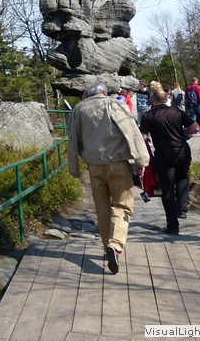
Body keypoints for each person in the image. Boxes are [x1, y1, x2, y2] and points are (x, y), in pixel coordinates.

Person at [68, 82, 150, 274]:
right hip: (117, 164)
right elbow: (132, 132)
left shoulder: (79, 109)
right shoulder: (115, 104)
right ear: (105, 93)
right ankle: (115, 245)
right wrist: (141, 160)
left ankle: (107, 247)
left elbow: (73, 139)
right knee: (122, 205)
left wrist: (74, 168)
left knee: (102, 209)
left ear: (87, 94)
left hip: (94, 166)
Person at [139, 87, 200, 234]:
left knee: (167, 188)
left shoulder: (147, 116)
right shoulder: (177, 112)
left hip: (164, 153)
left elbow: (143, 137)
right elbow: (195, 128)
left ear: (152, 100)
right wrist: (182, 132)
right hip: (182, 150)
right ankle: (182, 209)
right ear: (166, 98)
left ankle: (172, 226)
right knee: (183, 178)